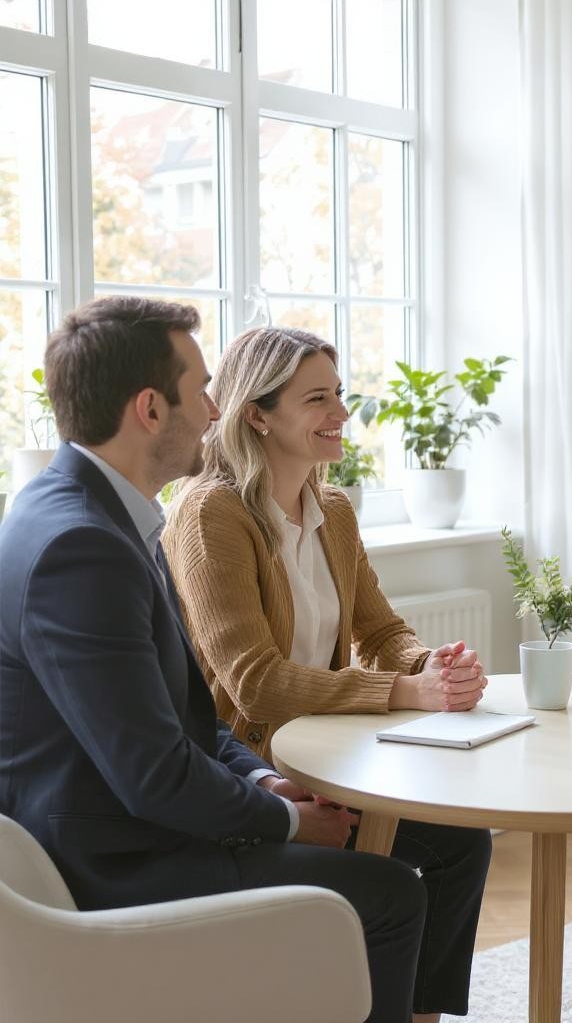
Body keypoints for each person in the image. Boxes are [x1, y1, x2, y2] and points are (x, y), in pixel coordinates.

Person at [0, 297, 428, 1023]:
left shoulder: (102, 515)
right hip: (109, 862)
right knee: (390, 895)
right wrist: (285, 820)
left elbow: (181, 721)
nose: (212, 406)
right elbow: (154, 776)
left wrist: (264, 781)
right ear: (150, 410)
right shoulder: (87, 546)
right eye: (200, 387)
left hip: (125, 823)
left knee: (425, 852)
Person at [162, 325, 492, 1023]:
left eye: (339, 393)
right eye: (318, 399)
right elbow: (254, 681)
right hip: (251, 773)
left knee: (461, 843)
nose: (342, 413)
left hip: (338, 759)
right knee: (391, 883)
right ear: (258, 412)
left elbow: (380, 630)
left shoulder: (333, 509)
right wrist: (405, 691)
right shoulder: (210, 512)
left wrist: (430, 665)